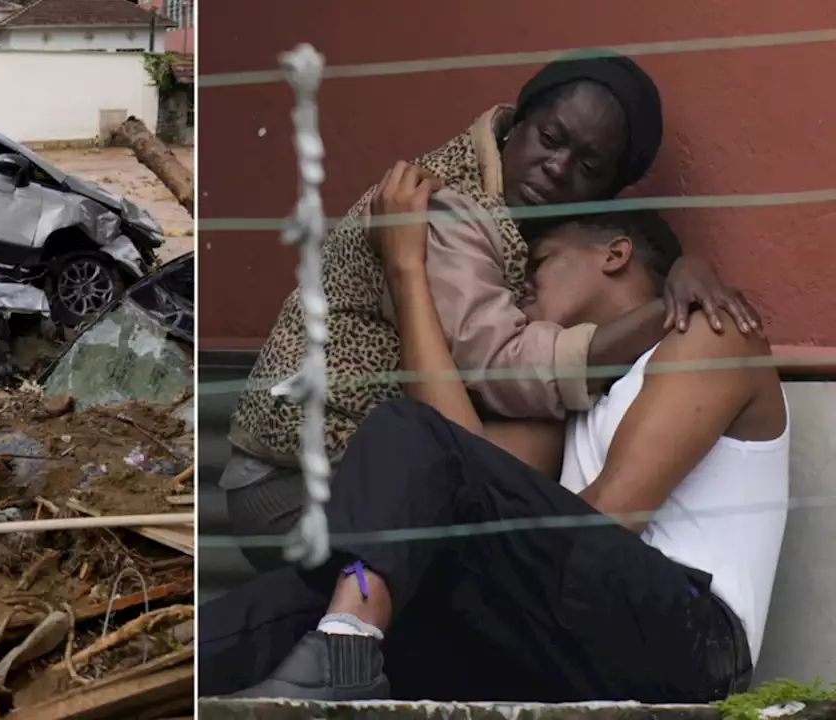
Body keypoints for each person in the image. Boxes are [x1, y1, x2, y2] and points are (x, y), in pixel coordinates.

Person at [198, 171, 790, 704]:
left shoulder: (711, 334)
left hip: (694, 641)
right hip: (581, 638)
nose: (521, 292)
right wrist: (406, 271)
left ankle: (348, 641)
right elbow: (451, 470)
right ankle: (173, 673)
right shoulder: (579, 403)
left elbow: (610, 520)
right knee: (303, 593)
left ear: (614, 255)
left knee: (405, 437)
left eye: (541, 264)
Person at [220, 52, 764, 570]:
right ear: (517, 123)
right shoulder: (444, 207)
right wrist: (667, 309)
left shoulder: (518, 217)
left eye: (588, 166)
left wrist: (685, 268)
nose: (557, 167)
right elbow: (499, 361)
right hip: (290, 484)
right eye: (551, 139)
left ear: (607, 192)